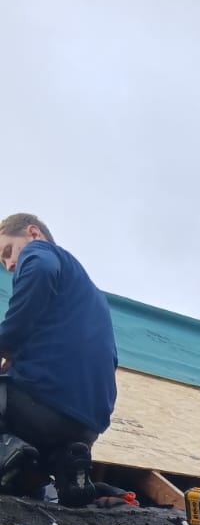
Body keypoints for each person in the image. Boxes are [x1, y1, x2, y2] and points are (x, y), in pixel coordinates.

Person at [0, 214, 118, 506]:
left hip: (43, 407)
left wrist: (6, 342)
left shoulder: (42, 253)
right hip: (86, 427)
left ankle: (9, 451)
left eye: (7, 252)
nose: (9, 265)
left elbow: (41, 268)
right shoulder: (87, 292)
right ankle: (69, 467)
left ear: (33, 233)